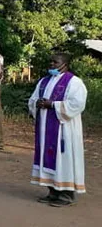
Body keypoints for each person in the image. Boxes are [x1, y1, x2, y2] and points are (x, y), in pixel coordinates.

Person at [29, 53, 87, 207]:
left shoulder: (74, 82)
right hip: (45, 128)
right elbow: (33, 99)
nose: (52, 64)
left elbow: (77, 104)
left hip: (64, 130)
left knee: (64, 160)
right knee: (46, 158)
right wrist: (38, 102)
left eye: (56, 62)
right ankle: (53, 191)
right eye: (51, 61)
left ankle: (67, 195)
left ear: (65, 64)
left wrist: (53, 105)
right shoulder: (44, 81)